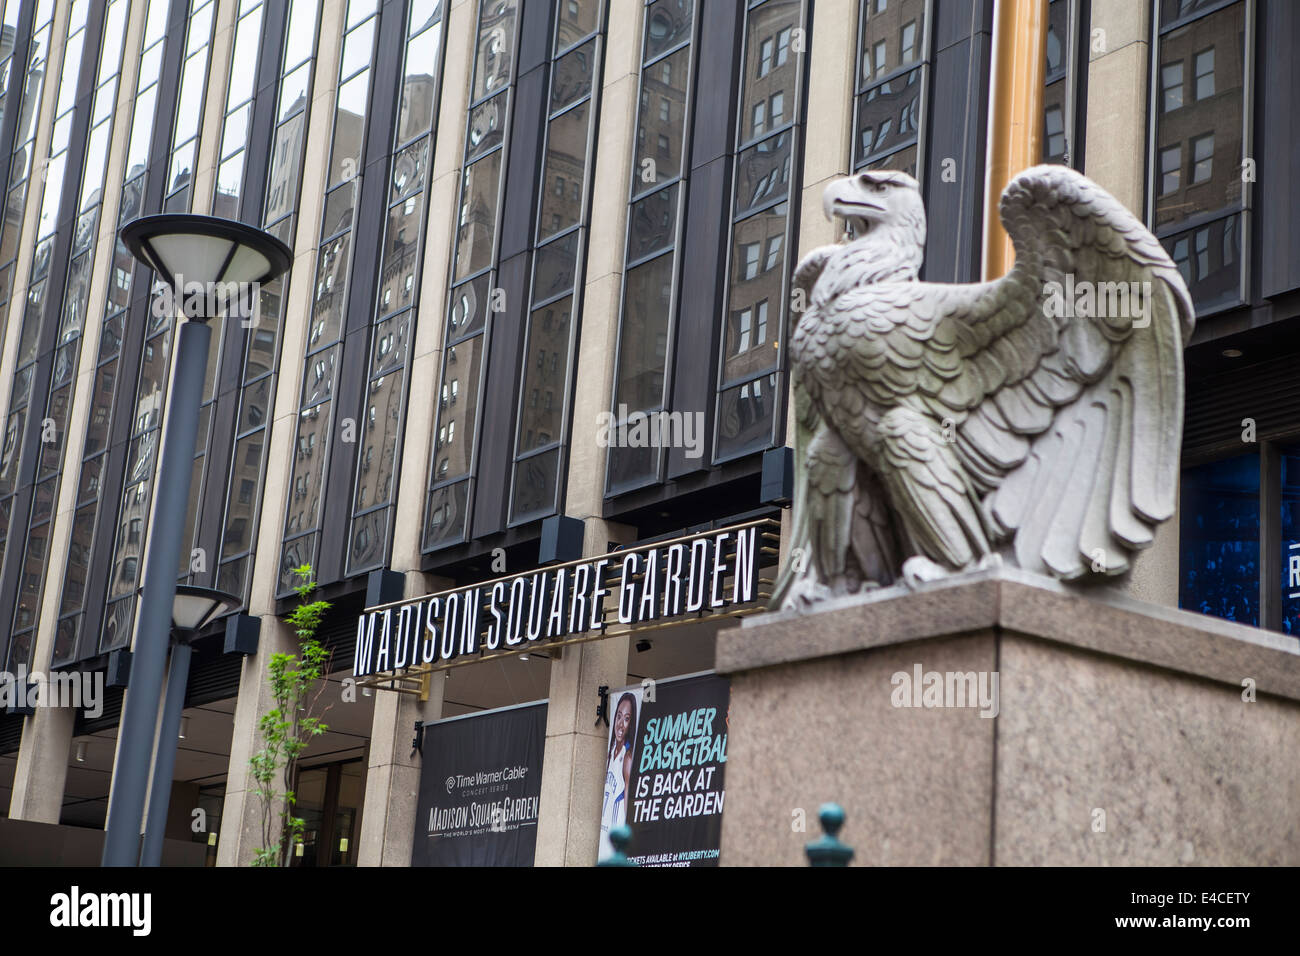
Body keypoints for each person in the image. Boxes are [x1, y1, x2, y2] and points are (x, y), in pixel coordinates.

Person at [598, 692, 638, 860]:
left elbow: (628, 805)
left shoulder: (627, 757)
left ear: (631, 723)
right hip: (604, 834)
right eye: (619, 717)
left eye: (627, 719)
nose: (621, 724)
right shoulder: (609, 752)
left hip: (617, 837)